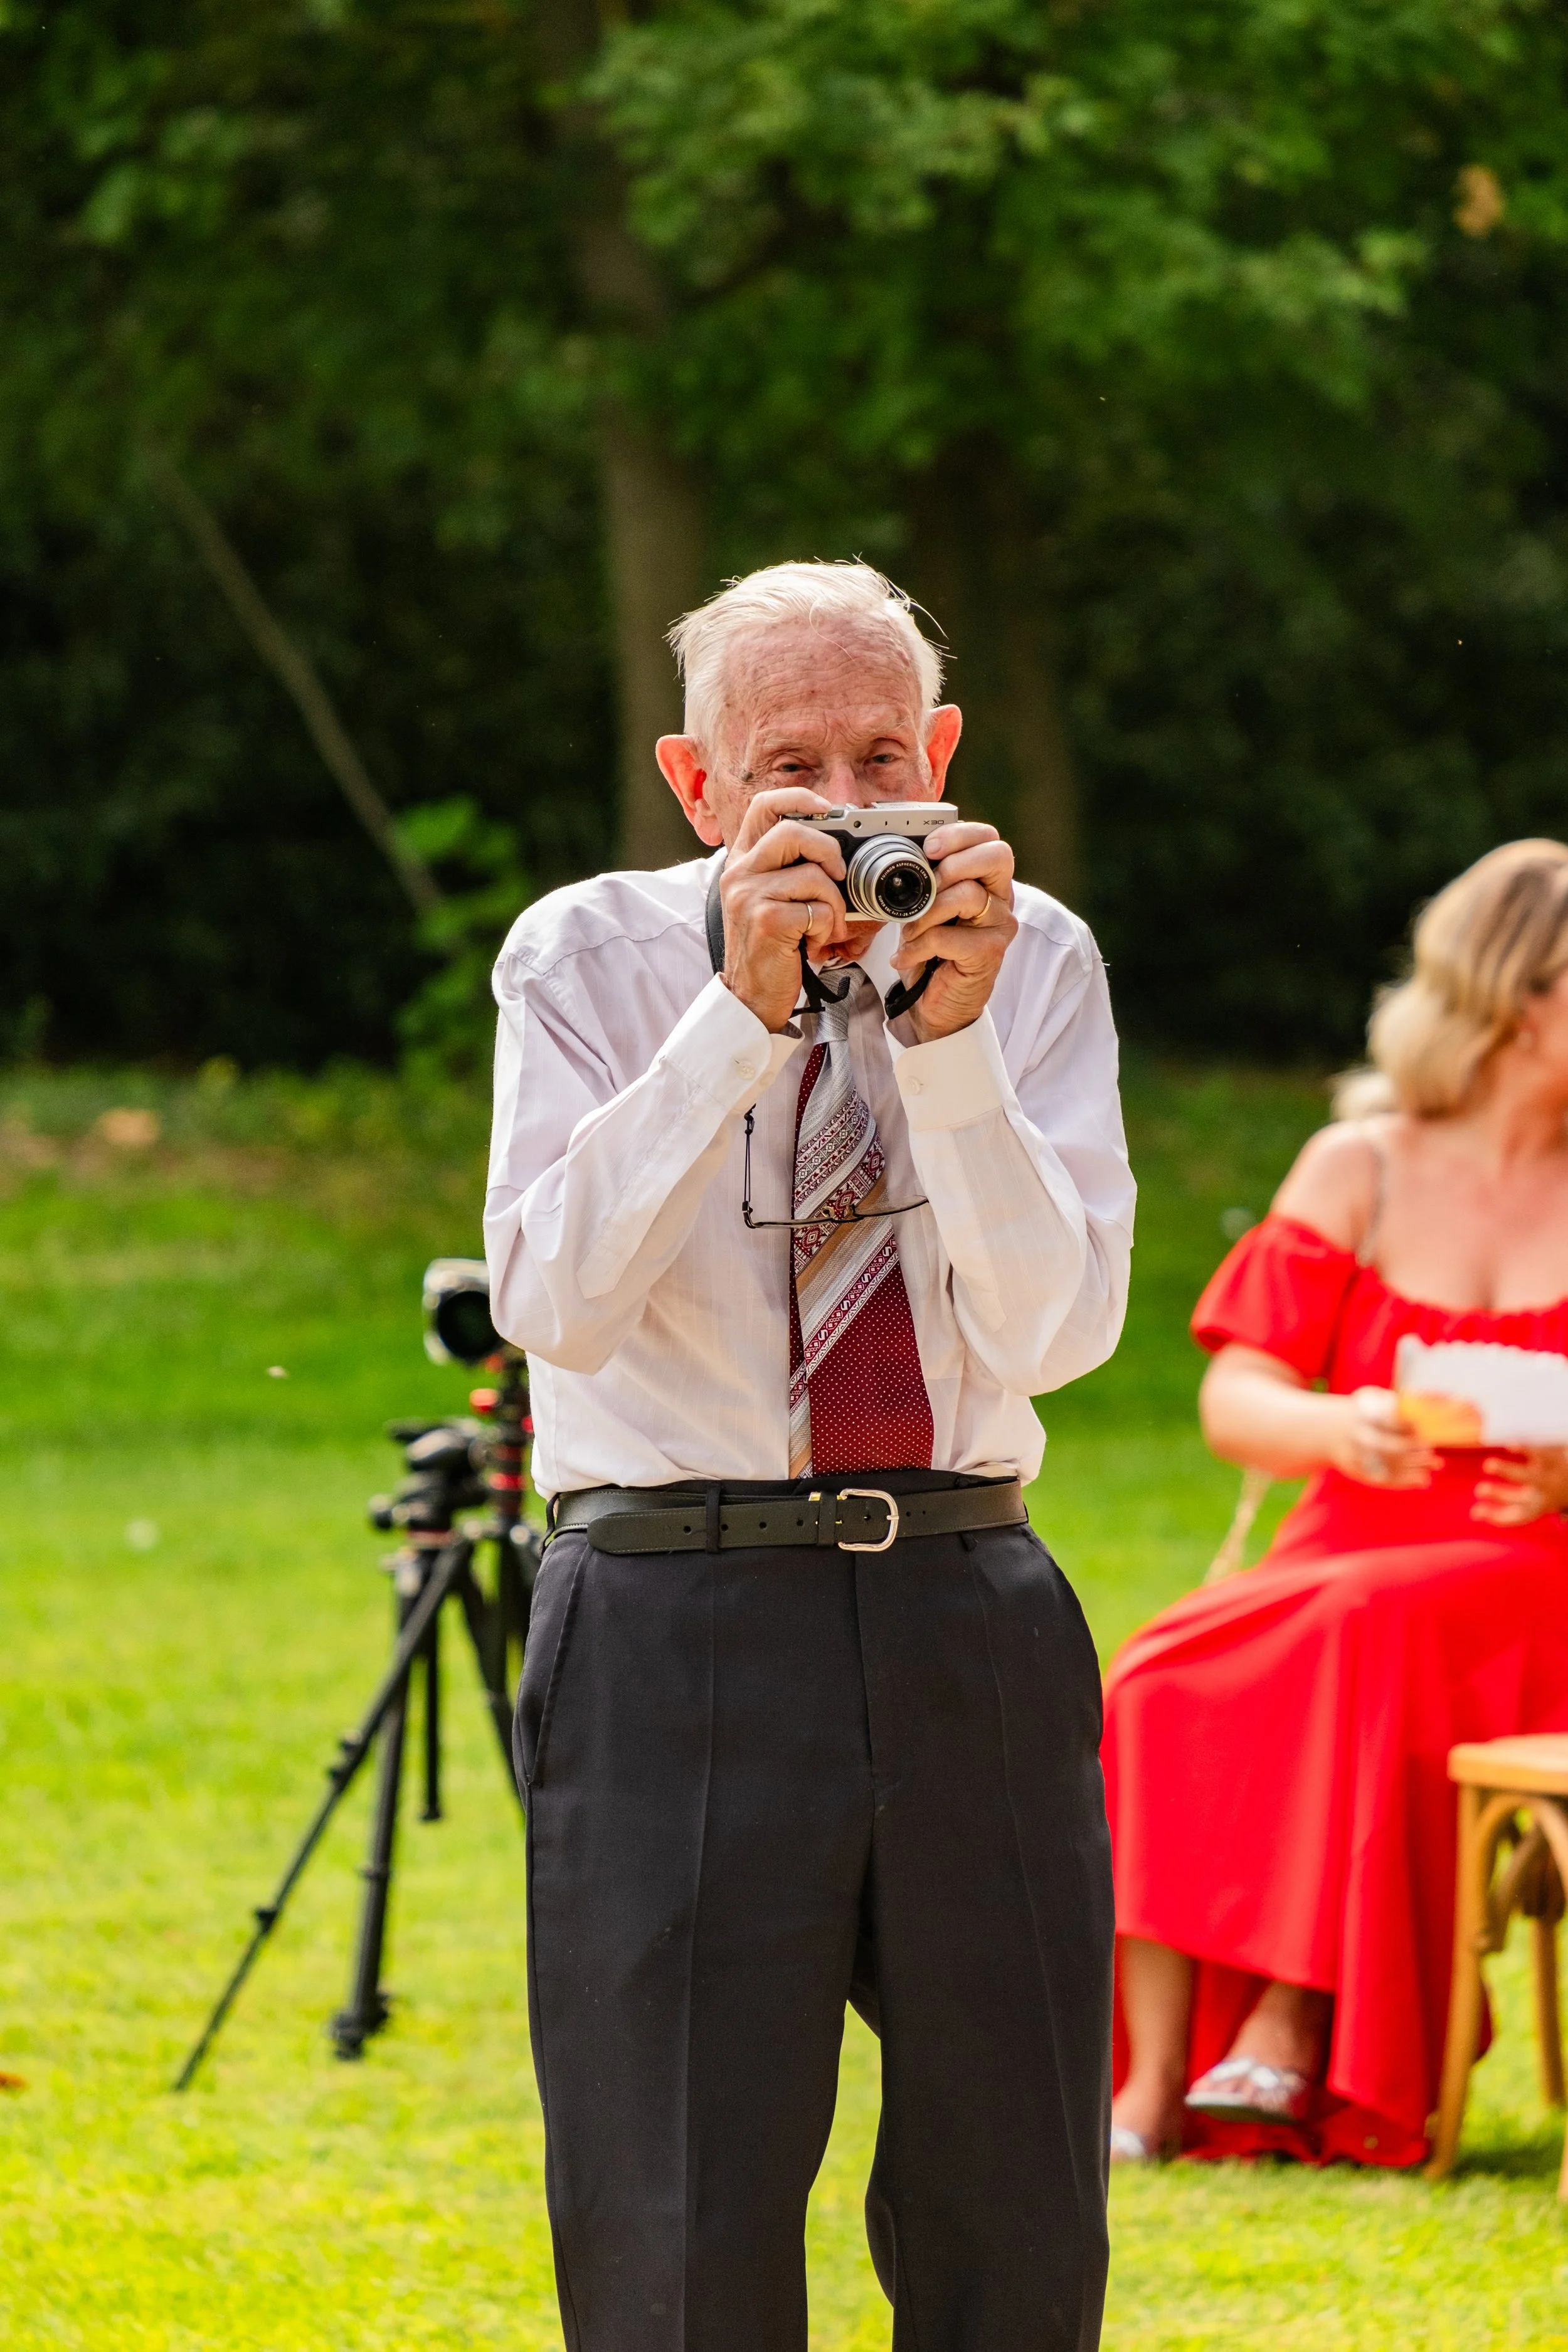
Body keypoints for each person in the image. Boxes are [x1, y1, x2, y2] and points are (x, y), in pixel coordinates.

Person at [484, 561, 1134, 2351]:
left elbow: (1059, 1330)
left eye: (878, 758)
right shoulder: (584, 954)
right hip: (673, 1604)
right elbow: (553, 1293)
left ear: (938, 751)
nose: (846, 812)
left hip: (965, 1597)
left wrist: (945, 1053)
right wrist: (737, 1019)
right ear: (696, 786)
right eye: (790, 772)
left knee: (1012, 2196)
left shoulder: (1037, 957)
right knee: (676, 2202)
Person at [1104, 839, 1568, 2169]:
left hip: (1528, 1574)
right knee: (1152, 1679)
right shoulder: (1354, 1166)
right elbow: (1234, 1401)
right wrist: (1339, 1425)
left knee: (1363, 1637)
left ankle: (1290, 2026)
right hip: (1347, 1550)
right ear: (1521, 995)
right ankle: (1149, 2091)